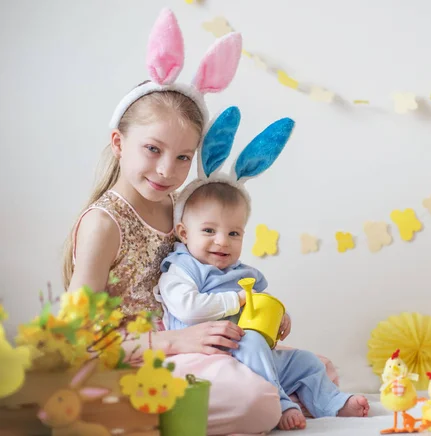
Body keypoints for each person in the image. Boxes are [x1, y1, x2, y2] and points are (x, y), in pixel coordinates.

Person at [63, 9, 283, 435]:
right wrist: (175, 342)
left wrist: (251, 313)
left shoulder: (179, 209)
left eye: (183, 156)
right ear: (118, 142)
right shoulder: (104, 224)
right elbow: (78, 343)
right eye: (152, 149)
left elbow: (209, 275)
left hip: (183, 349)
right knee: (256, 399)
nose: (167, 170)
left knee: (311, 369)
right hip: (128, 362)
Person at [154, 107, 370, 431]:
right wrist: (237, 302)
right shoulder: (182, 268)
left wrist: (278, 316)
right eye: (209, 231)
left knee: (306, 361)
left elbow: (259, 309)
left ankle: (333, 404)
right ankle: (281, 402)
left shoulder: (243, 273)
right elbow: (187, 306)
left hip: (249, 352)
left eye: (234, 233)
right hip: (207, 356)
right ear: (184, 233)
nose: (222, 242)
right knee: (254, 343)